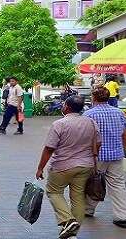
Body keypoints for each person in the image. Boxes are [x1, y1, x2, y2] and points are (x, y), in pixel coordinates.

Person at [36, 96, 100, 239]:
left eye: (64, 104)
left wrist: (40, 168)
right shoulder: (91, 122)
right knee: (77, 197)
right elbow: (98, 144)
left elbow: (49, 148)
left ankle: (67, 221)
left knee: (54, 192)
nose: (63, 106)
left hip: (62, 166)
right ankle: (72, 233)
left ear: (67, 107)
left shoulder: (59, 124)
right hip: (85, 166)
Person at [84, 86, 126, 229]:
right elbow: (125, 133)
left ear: (94, 98)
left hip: (96, 155)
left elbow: (86, 136)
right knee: (118, 185)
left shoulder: (89, 114)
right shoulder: (119, 113)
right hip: (116, 154)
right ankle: (121, 216)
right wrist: (123, 149)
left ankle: (88, 209)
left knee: (92, 182)